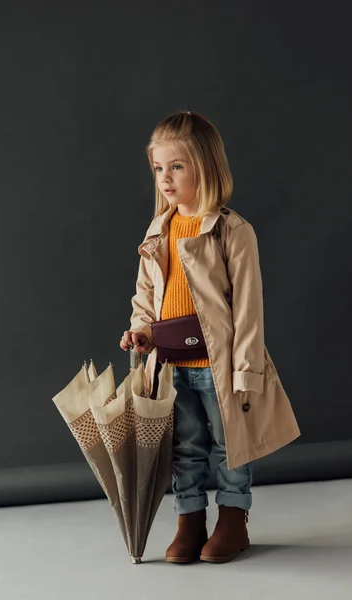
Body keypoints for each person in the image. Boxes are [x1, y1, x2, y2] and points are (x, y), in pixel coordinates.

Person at [120, 110, 300, 564]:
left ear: (206, 166)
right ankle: (190, 519)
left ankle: (233, 519)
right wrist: (140, 331)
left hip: (218, 366)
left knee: (229, 444)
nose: (165, 177)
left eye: (176, 166)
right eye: (158, 167)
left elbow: (248, 310)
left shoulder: (231, 231)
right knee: (186, 445)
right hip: (173, 366)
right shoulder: (158, 229)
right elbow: (146, 294)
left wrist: (246, 369)